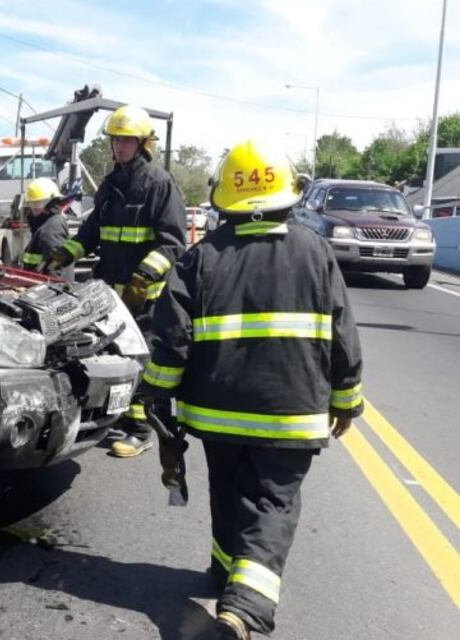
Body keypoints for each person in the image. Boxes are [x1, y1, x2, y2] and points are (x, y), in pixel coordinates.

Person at [139, 139, 364, 639]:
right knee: (272, 504)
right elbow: (342, 334)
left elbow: (171, 341)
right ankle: (242, 608)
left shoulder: (201, 257)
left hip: (216, 416)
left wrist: (155, 397)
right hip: (291, 415)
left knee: (227, 490)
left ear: (223, 197)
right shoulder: (316, 252)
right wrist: (347, 400)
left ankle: (225, 574)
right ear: (290, 192)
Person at [46, 105, 186, 458]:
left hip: (145, 295)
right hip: (110, 293)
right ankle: (117, 416)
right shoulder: (110, 185)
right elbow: (91, 232)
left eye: (126, 140)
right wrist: (65, 254)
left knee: (141, 357)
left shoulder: (158, 183)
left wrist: (146, 274)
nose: (119, 146)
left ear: (142, 144)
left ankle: (141, 429)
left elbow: (173, 243)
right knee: (112, 353)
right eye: (115, 140)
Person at [19, 177, 73, 281]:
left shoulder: (51, 228)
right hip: (38, 287)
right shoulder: (43, 225)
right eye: (31, 203)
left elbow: (56, 270)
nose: (34, 208)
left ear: (52, 202)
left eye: (39, 203)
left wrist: (51, 290)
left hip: (50, 290)